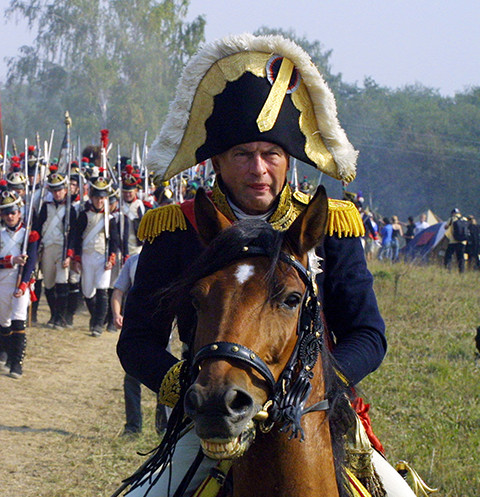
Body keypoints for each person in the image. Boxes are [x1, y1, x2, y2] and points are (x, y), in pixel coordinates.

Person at [117, 34, 412, 497]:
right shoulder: (176, 229)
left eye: (271, 154)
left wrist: (309, 386)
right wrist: (189, 388)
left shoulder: (329, 225)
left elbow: (369, 335)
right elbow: (136, 341)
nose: (259, 169)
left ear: (288, 159)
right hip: (212, 414)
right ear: (216, 160)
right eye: (243, 154)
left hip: (316, 412)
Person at [111, 253, 169, 436]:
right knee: (131, 378)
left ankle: (164, 426)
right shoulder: (133, 261)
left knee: (166, 378)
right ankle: (133, 426)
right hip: (137, 328)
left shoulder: (168, 260)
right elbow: (118, 291)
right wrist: (116, 314)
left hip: (161, 329)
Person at [72, 173, 120, 336]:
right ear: (91, 198)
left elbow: (114, 241)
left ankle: (98, 324)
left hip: (102, 258)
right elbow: (77, 238)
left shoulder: (110, 219)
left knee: (102, 289)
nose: (99, 201)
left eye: (102, 198)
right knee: (87, 292)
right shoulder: (84, 215)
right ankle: (97, 318)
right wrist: (76, 258)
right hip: (87, 257)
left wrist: (111, 258)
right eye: (97, 198)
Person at [0, 184, 39, 378]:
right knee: (4, 323)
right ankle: (6, 355)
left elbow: (31, 261)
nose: (10, 216)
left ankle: (17, 363)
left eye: (13, 212)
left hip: (20, 284)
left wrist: (23, 285)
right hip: (2, 283)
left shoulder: (28, 235)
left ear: (19, 212)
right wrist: (10, 261)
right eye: (6, 213)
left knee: (18, 321)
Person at [34, 166, 77, 328]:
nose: (57, 193)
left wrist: (69, 254)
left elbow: (73, 234)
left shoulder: (70, 209)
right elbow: (38, 229)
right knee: (49, 284)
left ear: (65, 190)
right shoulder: (45, 207)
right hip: (47, 248)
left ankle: (60, 317)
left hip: (62, 249)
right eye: (54, 190)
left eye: (60, 190)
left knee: (62, 281)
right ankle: (53, 314)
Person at [444, 208, 468, 273]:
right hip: (463, 241)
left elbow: (446, 227)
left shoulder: (452, 219)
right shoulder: (465, 219)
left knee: (448, 256)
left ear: (453, 213)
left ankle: (448, 270)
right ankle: (461, 271)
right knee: (460, 257)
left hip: (453, 241)